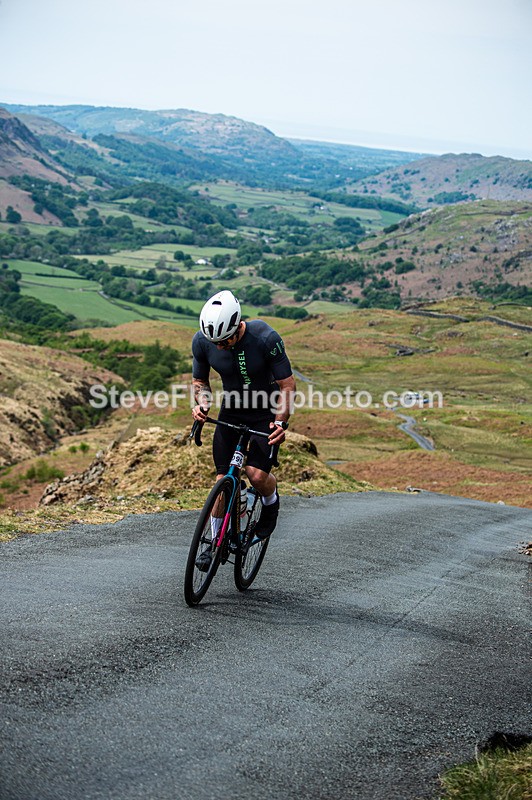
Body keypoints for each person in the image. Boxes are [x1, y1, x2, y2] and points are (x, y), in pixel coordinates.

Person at [191, 290, 296, 567]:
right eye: (215, 342)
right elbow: (200, 381)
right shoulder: (202, 341)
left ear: (238, 325)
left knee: (256, 475)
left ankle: (270, 503)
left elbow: (287, 385)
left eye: (225, 341)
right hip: (232, 410)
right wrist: (202, 404)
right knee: (223, 479)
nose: (220, 347)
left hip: (265, 412)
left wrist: (280, 422)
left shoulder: (265, 338)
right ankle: (215, 542)